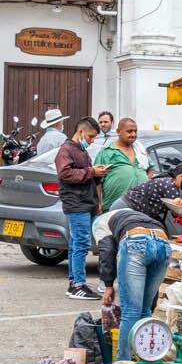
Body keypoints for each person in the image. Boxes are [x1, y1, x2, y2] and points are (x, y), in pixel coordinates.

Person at [106, 212, 177, 363]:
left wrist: (108, 285)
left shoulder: (107, 224)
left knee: (131, 312)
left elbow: (107, 253)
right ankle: (147, 360)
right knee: (145, 311)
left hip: (136, 241)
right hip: (163, 242)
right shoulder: (142, 215)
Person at [56, 116, 103, 299]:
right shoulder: (66, 150)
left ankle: (75, 282)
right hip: (76, 204)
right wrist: (92, 171)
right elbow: (65, 173)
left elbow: (84, 174)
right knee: (81, 244)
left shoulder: (80, 151)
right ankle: (78, 285)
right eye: (91, 136)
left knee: (77, 244)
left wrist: (97, 173)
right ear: (81, 132)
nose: (91, 141)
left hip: (85, 203)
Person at [120, 154, 182, 233]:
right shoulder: (170, 186)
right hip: (127, 207)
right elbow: (177, 211)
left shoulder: (167, 181)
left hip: (128, 205)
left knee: (160, 228)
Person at [96, 116, 147, 210]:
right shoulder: (107, 152)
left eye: (135, 131)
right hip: (114, 207)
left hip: (141, 206)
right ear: (118, 132)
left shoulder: (140, 150)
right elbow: (97, 181)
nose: (133, 134)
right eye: (129, 131)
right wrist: (98, 203)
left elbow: (150, 169)